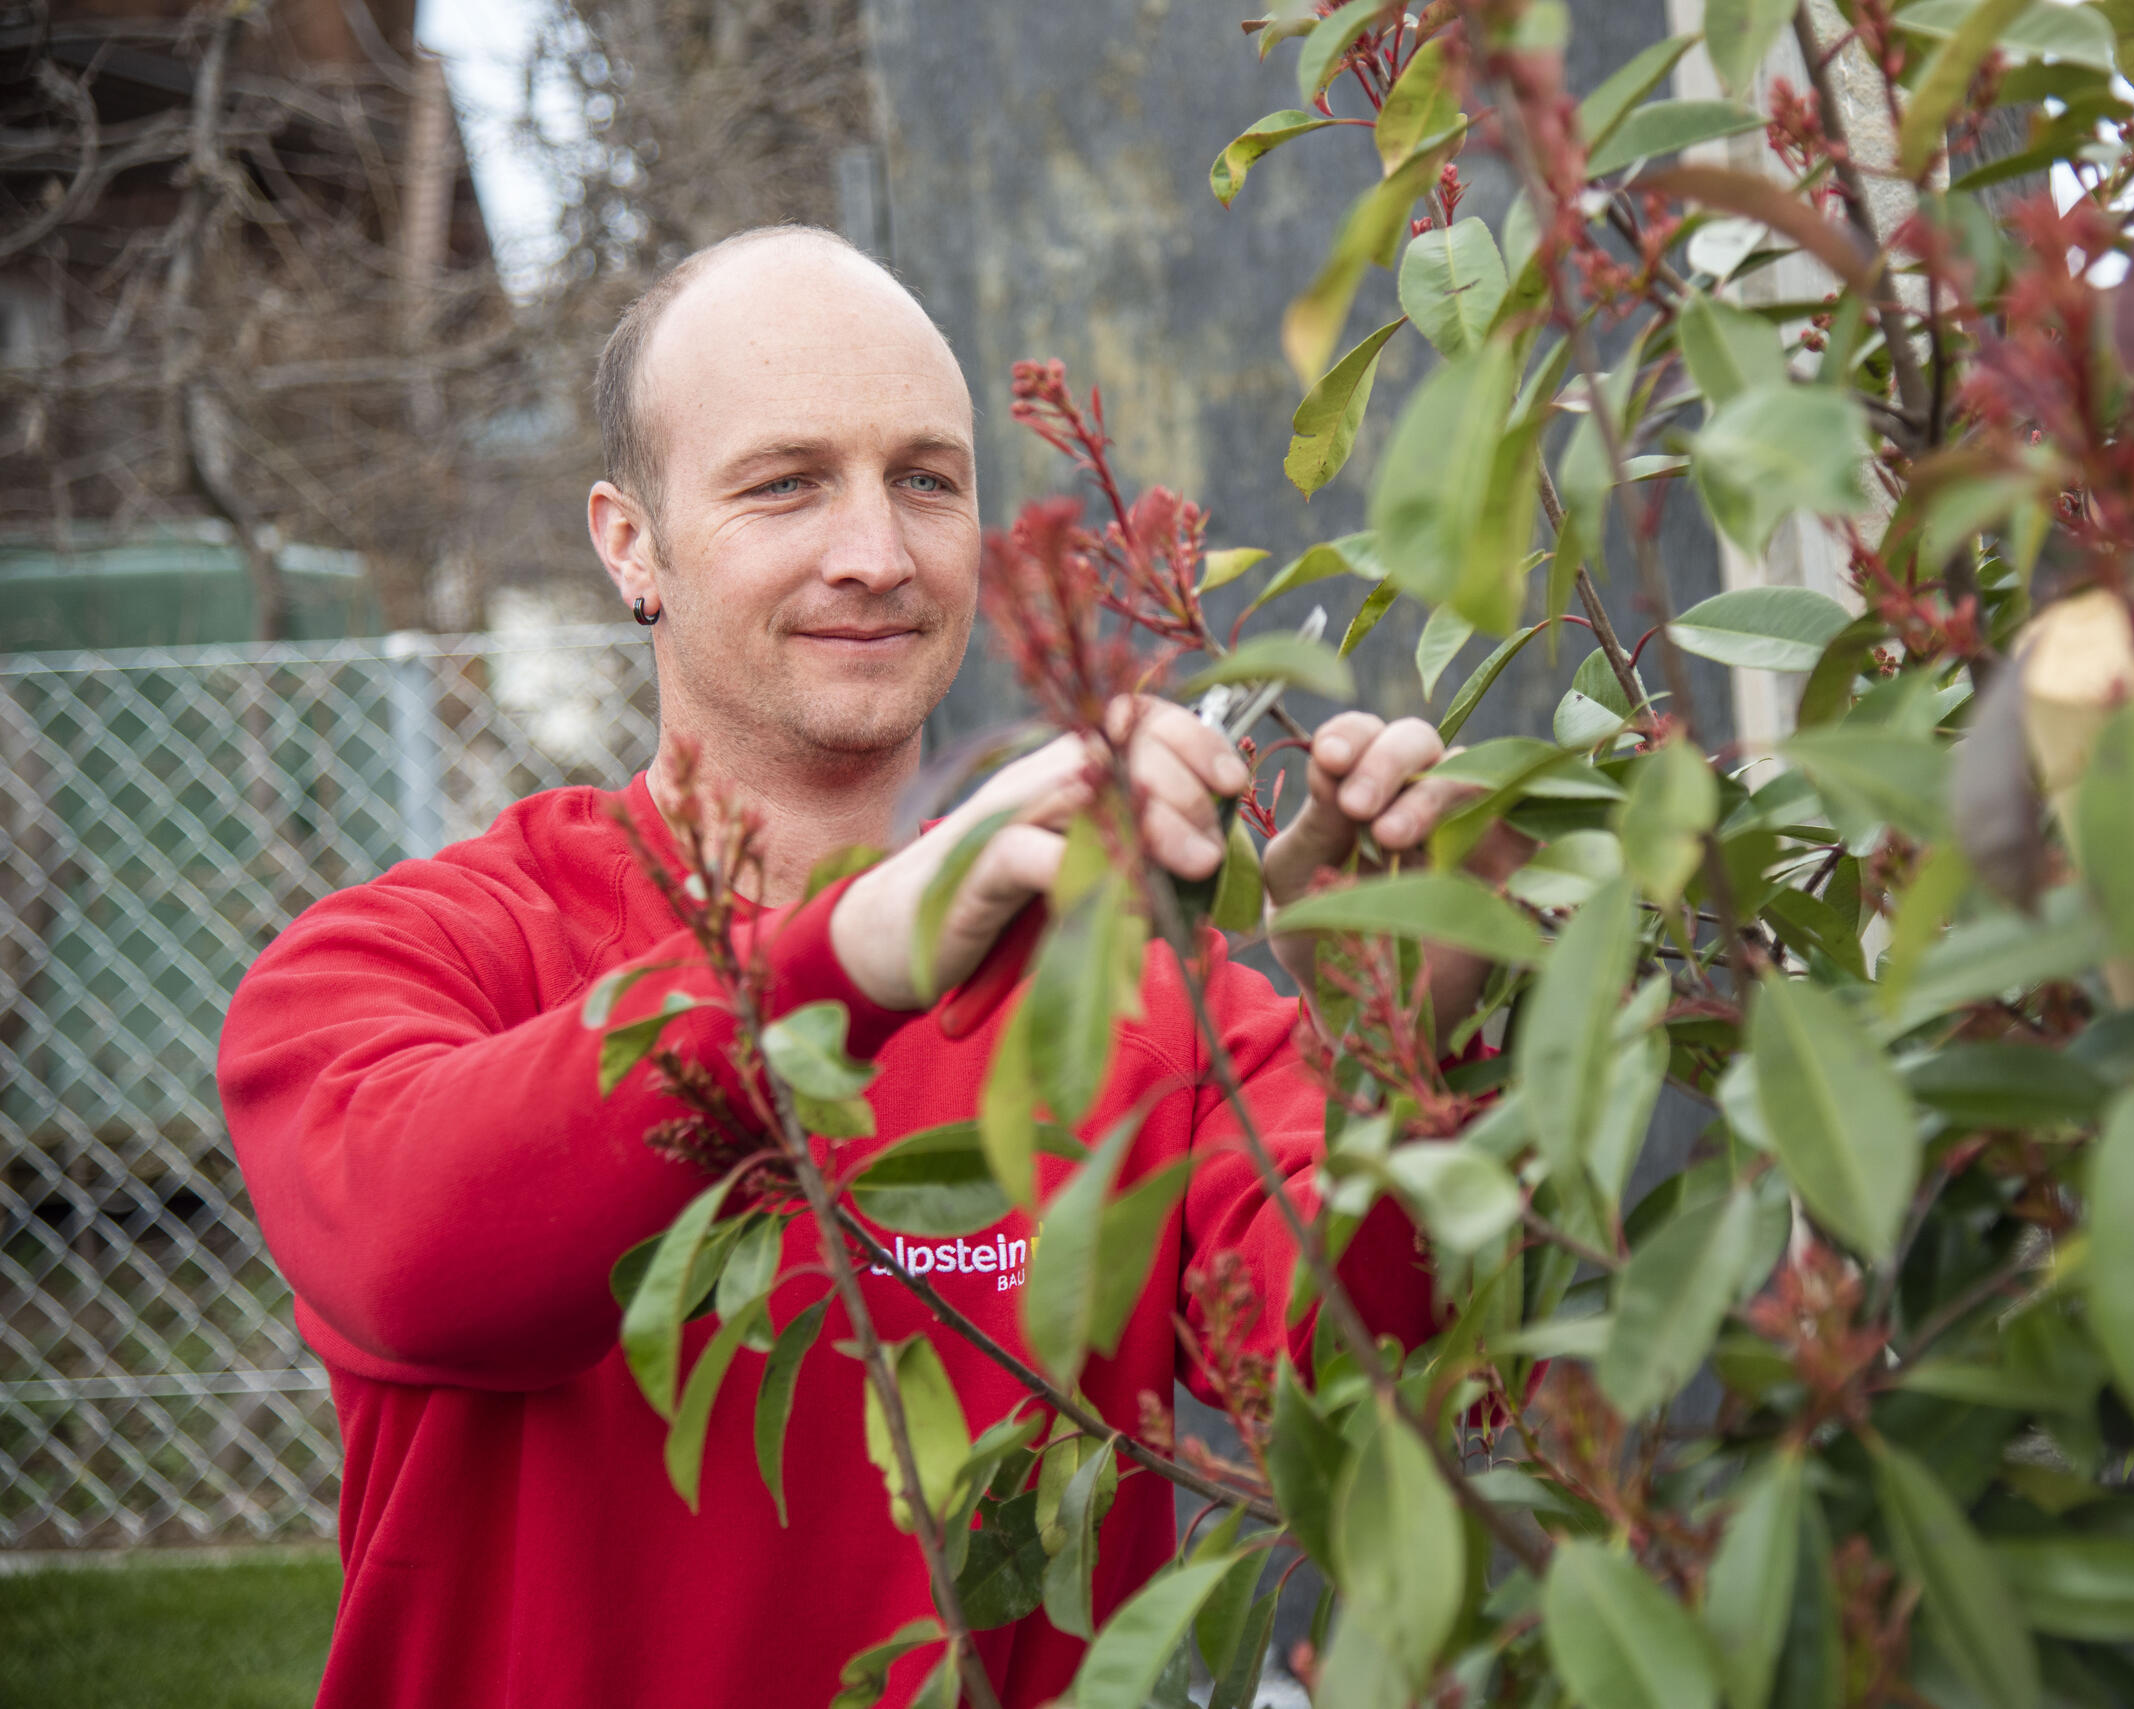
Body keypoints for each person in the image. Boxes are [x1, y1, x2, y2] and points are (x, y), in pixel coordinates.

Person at [217, 225, 1508, 1709]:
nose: (876, 553)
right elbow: (421, 1254)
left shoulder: (1153, 992)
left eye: (926, 479)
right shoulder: (412, 957)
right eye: (786, 482)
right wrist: (854, 952)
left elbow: (1350, 1392)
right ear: (628, 539)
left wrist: (1392, 1058)